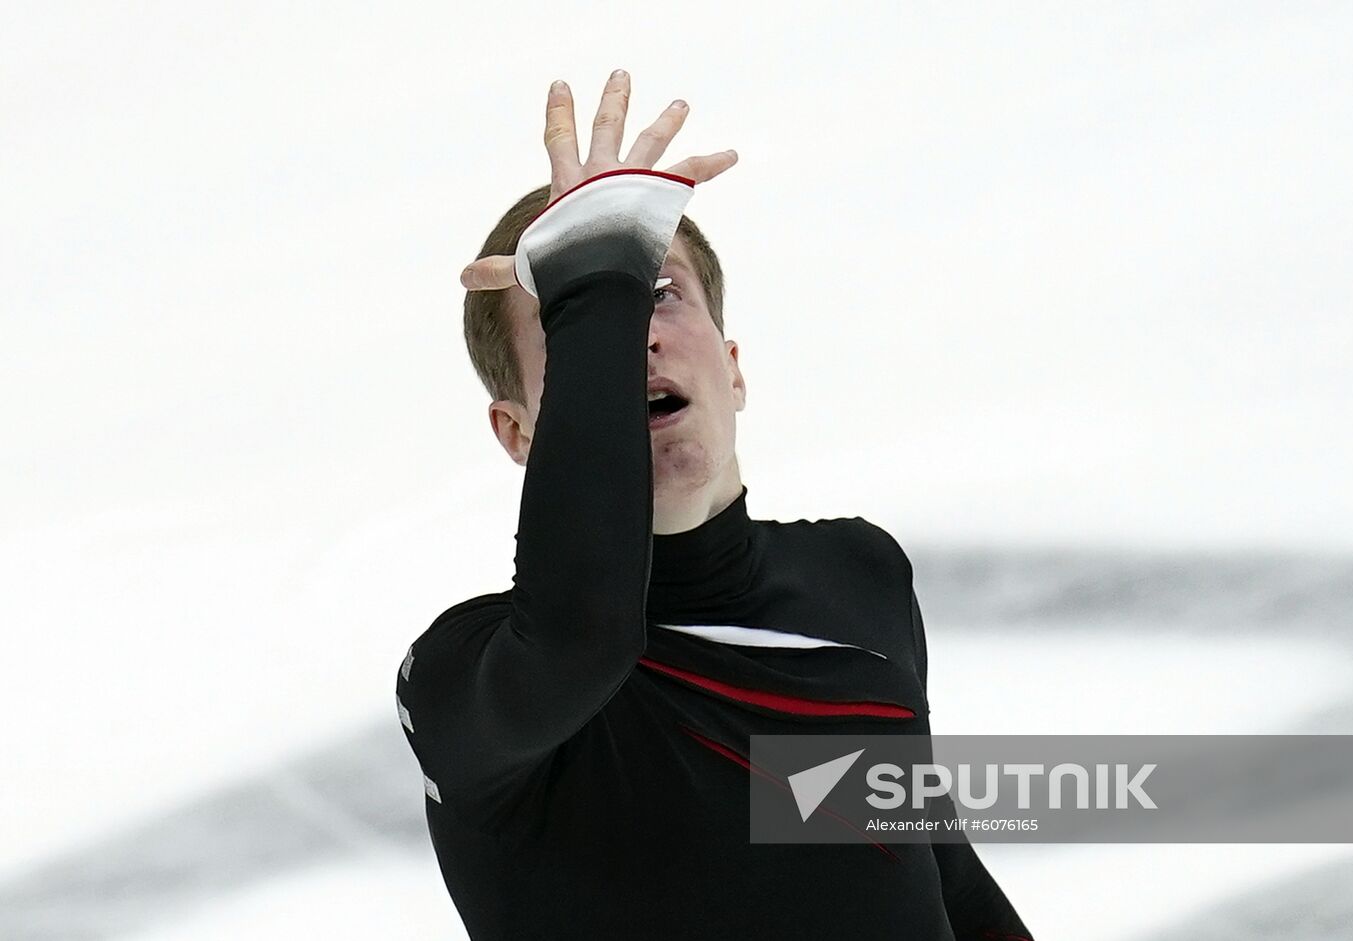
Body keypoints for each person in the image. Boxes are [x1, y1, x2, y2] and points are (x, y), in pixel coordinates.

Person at [395, 69, 1033, 940]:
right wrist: (597, 273)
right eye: (581, 323)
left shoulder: (857, 577)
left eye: (658, 295)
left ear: (732, 367)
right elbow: (584, 638)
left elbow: (943, 877)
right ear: (518, 431)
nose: (636, 333)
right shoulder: (460, 681)